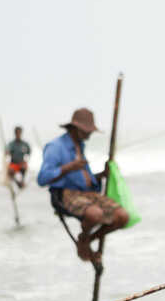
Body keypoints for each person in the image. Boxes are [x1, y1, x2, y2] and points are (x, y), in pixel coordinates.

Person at [37, 108, 129, 265]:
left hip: (88, 194)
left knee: (122, 217)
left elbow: (84, 178)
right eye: (87, 131)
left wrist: (101, 175)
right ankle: (85, 241)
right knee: (95, 214)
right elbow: (42, 178)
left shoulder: (80, 146)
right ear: (75, 128)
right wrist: (69, 167)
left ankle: (85, 240)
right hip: (65, 194)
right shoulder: (55, 146)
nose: (89, 135)